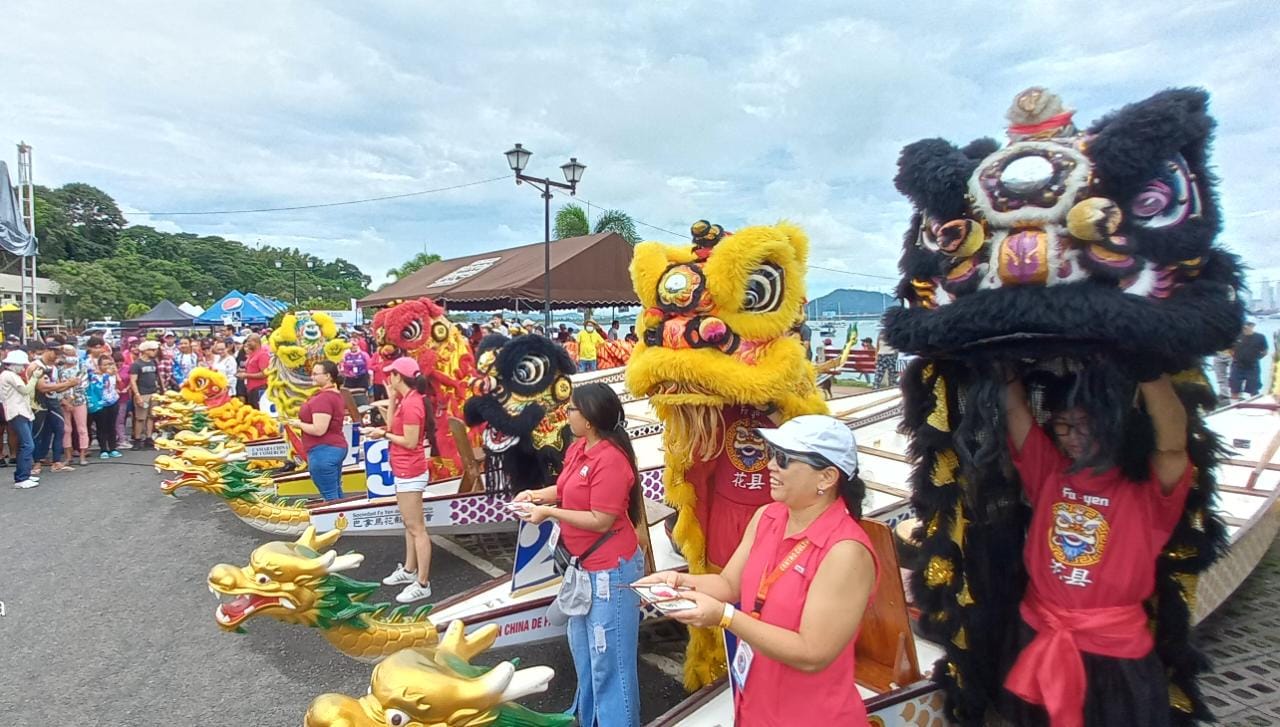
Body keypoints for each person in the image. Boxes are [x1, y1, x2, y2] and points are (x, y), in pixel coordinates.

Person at [637, 414, 877, 725]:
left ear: (827, 478)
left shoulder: (846, 552)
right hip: (754, 705)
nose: (770, 465)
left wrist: (725, 617)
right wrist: (679, 582)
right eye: (772, 454)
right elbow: (728, 584)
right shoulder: (768, 516)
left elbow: (812, 653)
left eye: (785, 459)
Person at [1000, 370, 1191, 727]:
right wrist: (1006, 374)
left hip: (1113, 654)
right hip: (1036, 632)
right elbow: (1015, 410)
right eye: (1062, 426)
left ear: (1112, 422)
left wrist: (1149, 371)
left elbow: (1173, 446)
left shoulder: (1145, 488)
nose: (1072, 438)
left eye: (1084, 425)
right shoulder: (1052, 472)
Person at [513, 382, 645, 727]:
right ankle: (590, 719)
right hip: (585, 568)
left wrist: (550, 513)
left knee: (609, 661)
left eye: (571, 409)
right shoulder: (579, 448)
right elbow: (565, 488)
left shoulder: (612, 460)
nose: (566, 413)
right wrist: (537, 496)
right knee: (586, 655)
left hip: (610, 573)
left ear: (589, 418)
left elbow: (601, 520)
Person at [363, 357, 435, 604]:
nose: (388, 378)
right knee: (410, 525)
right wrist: (391, 398)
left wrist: (384, 434)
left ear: (398, 376)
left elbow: (410, 441)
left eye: (391, 374)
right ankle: (409, 569)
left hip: (410, 471)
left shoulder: (414, 404)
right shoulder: (408, 400)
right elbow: (392, 425)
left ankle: (423, 582)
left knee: (417, 528)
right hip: (405, 469)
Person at [285, 360, 348, 501]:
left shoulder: (324, 398)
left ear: (328, 376)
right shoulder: (334, 394)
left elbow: (319, 430)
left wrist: (298, 424)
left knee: (330, 497)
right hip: (333, 447)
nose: (312, 377)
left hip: (323, 451)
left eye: (315, 374)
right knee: (335, 491)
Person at [31, 343, 81, 473]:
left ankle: (57, 461)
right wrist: (67, 384)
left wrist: (70, 385)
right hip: (38, 402)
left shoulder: (53, 367)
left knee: (60, 429)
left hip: (53, 401)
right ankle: (36, 462)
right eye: (55, 354)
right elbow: (42, 387)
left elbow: (57, 387)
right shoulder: (36, 365)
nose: (56, 357)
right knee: (38, 432)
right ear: (47, 350)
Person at [1, 349, 39, 488]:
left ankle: (25, 475)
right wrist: (34, 378)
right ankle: (22, 478)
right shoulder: (9, 375)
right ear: (14, 364)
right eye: (22, 365)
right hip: (17, 412)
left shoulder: (12, 375)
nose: (24, 368)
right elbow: (26, 390)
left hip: (23, 411)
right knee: (27, 444)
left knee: (27, 444)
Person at [58, 344, 90, 466]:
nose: (69, 355)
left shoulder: (82, 366)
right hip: (63, 402)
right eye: (66, 353)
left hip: (79, 400)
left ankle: (82, 455)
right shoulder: (59, 369)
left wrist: (71, 399)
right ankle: (68, 457)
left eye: (71, 352)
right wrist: (64, 400)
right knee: (66, 429)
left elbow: (83, 385)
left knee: (82, 428)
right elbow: (57, 385)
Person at [87, 354, 122, 458]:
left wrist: (116, 374)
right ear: (99, 366)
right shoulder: (94, 376)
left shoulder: (113, 375)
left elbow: (119, 384)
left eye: (110, 364)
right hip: (100, 403)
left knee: (112, 426)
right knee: (101, 426)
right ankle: (103, 449)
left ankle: (113, 448)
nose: (108, 366)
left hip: (113, 401)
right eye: (105, 364)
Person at [130, 340, 161, 449]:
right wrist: (137, 394)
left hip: (153, 392)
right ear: (145, 351)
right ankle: (137, 439)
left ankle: (149, 437)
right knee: (140, 417)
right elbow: (133, 380)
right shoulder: (136, 364)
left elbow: (157, 377)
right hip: (142, 393)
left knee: (151, 416)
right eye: (152, 350)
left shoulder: (154, 362)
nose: (154, 352)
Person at [1229, 321, 1268, 399]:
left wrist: (1256, 358)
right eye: (1244, 327)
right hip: (1237, 366)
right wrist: (1236, 357)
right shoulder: (1237, 336)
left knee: (1254, 390)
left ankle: (1255, 406)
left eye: (1248, 326)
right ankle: (1234, 405)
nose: (1246, 328)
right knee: (1234, 389)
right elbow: (1230, 349)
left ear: (1253, 326)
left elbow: (1265, 351)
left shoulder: (1260, 337)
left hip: (1253, 366)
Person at [238, 333, 269, 408]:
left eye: (249, 341)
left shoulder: (262, 355)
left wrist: (246, 375)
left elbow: (264, 374)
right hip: (250, 388)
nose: (247, 343)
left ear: (256, 342)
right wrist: (242, 372)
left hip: (259, 388)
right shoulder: (252, 354)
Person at [113, 351, 133, 449]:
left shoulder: (127, 368)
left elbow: (131, 380)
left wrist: (127, 388)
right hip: (112, 397)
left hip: (123, 397)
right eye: (117, 362)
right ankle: (119, 438)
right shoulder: (111, 370)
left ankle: (122, 439)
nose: (119, 363)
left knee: (120, 419)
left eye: (120, 361)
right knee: (114, 420)